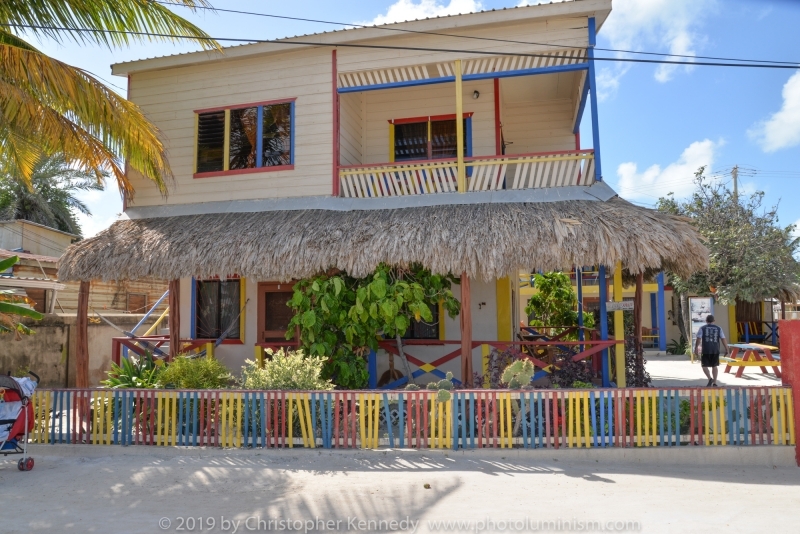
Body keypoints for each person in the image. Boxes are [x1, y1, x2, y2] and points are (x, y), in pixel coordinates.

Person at [694, 315, 729, 387]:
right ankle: (715, 382)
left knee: (704, 366)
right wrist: (726, 348)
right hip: (715, 350)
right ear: (714, 321)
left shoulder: (702, 328)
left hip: (705, 350)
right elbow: (723, 338)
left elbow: (698, 338)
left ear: (706, 321)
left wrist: (696, 348)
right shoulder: (719, 328)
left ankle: (710, 378)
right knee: (714, 366)